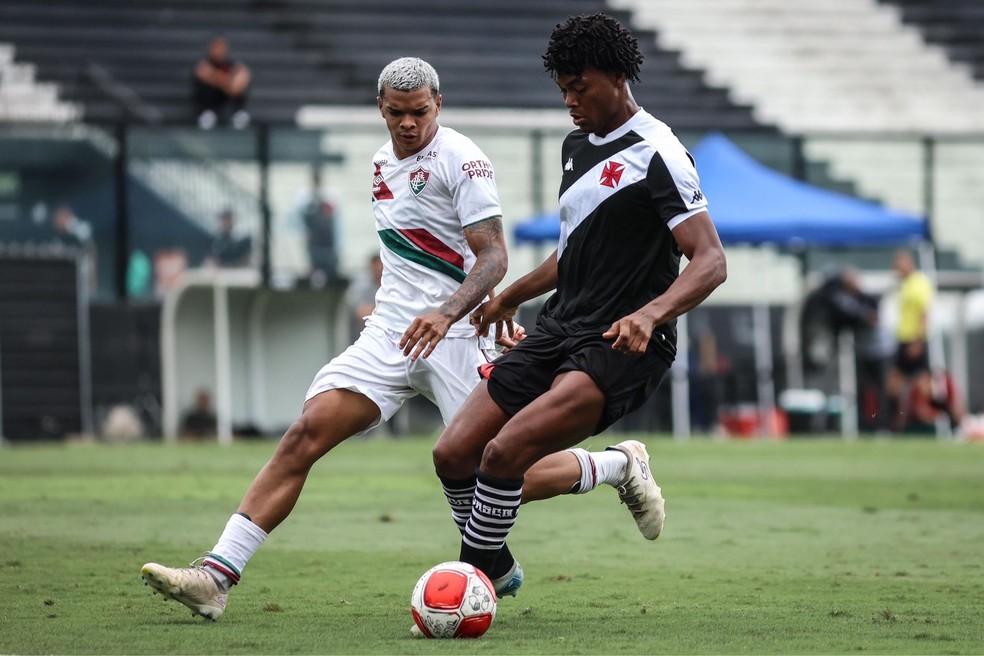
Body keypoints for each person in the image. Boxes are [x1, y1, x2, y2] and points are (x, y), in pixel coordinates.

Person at [140, 57, 651, 621]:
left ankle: (617, 466)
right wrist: (413, 311)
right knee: (303, 436)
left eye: (419, 112)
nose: (408, 124)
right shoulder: (383, 161)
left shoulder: (464, 160)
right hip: (390, 335)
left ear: (439, 105)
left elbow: (494, 256)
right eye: (396, 113)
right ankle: (216, 578)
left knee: (504, 470)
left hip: (456, 335)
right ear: (380, 108)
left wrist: (448, 311)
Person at [430, 13, 727, 590]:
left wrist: (650, 313)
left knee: (503, 454)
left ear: (617, 75)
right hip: (560, 326)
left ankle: (469, 588)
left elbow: (711, 260)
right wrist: (507, 298)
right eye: (563, 89)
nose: (569, 100)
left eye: (579, 87)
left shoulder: (659, 151)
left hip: (623, 341)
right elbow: (574, 255)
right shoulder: (575, 146)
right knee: (454, 453)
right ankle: (497, 560)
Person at [885, 250, 933, 432]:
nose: (897, 269)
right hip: (904, 340)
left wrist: (918, 341)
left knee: (922, 387)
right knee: (896, 385)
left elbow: (924, 312)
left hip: (914, 340)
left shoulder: (919, 283)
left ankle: (943, 421)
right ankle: (898, 424)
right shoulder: (904, 284)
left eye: (899, 264)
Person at [291, 170, 341, 285]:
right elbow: (297, 218)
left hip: (327, 240)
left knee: (329, 268)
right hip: (313, 240)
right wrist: (303, 233)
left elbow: (334, 221)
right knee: (313, 266)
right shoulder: (303, 197)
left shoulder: (330, 195)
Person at [192, 36, 251, 130]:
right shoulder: (204, 64)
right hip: (211, 98)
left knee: (240, 89)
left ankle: (238, 114)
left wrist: (227, 83)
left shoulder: (231, 64)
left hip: (226, 95)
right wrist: (226, 82)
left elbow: (243, 75)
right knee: (205, 88)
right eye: (216, 47)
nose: (219, 51)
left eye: (221, 47)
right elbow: (203, 73)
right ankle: (207, 114)